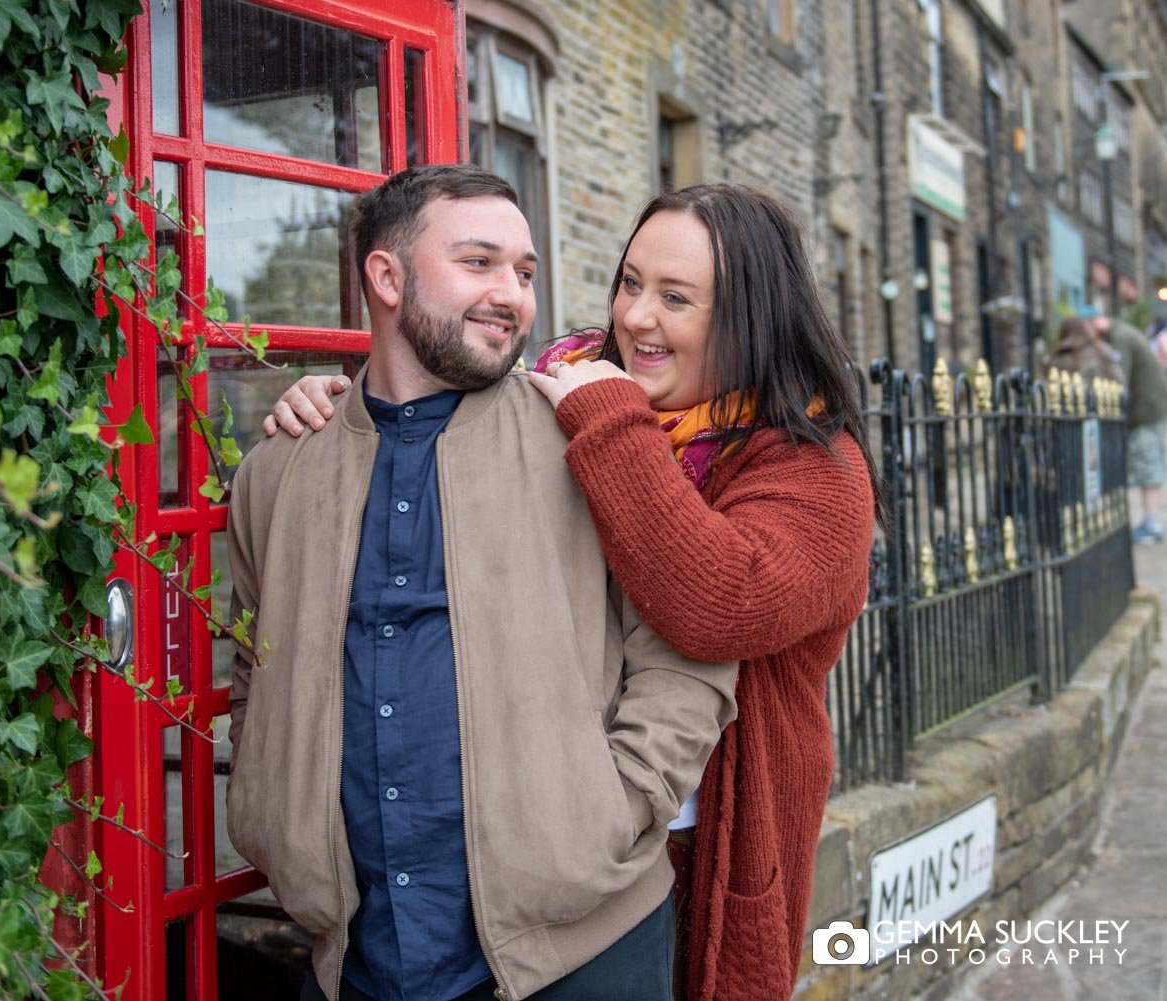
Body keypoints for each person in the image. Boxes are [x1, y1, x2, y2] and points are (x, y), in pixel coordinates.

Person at [265, 183, 878, 1001]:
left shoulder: (814, 471)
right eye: (630, 284)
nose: (636, 319)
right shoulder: (574, 394)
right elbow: (432, 403)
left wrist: (611, 809)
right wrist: (339, 416)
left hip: (705, 853)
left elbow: (714, 603)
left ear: (750, 318)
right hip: (526, 874)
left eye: (676, 298)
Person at [1080, 305, 1167, 543]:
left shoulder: (1120, 338)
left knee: (1147, 463)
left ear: (1095, 322)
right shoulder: (1120, 334)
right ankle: (1150, 521)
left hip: (1145, 409)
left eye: (1086, 326)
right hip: (1149, 407)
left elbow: (1119, 378)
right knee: (1147, 462)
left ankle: (1152, 523)